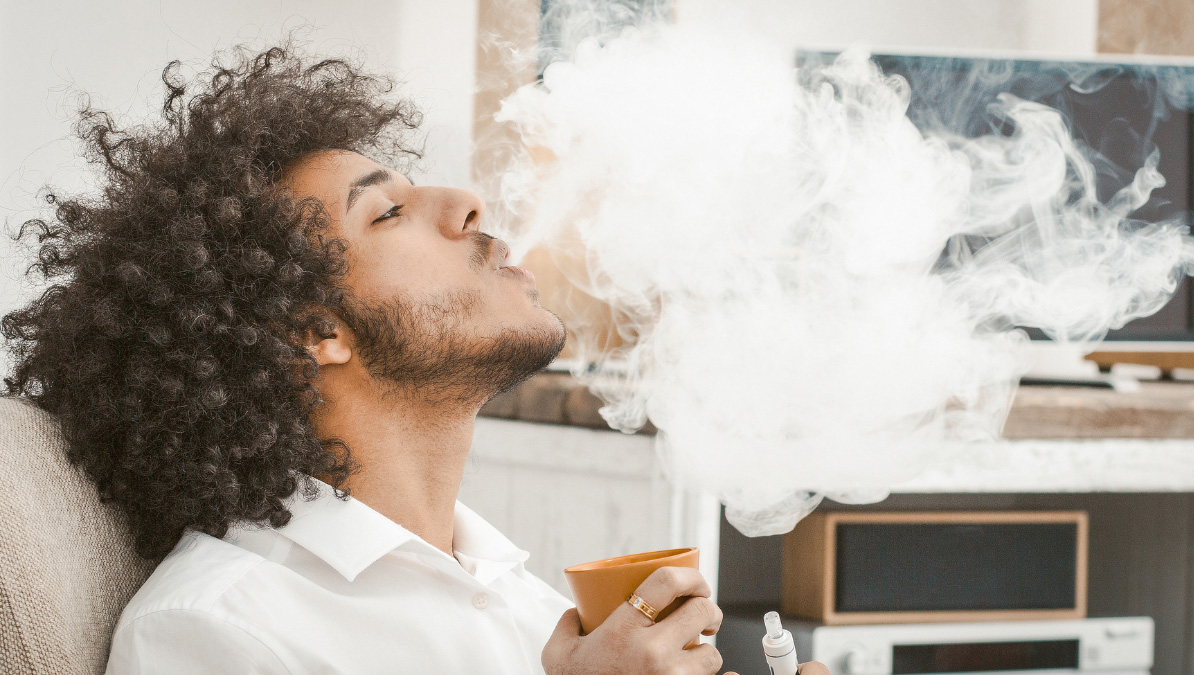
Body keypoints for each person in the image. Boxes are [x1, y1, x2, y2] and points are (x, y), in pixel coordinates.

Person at [2, 43, 829, 675]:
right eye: (389, 211)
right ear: (316, 330)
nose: (466, 203)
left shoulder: (505, 586)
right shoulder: (218, 627)